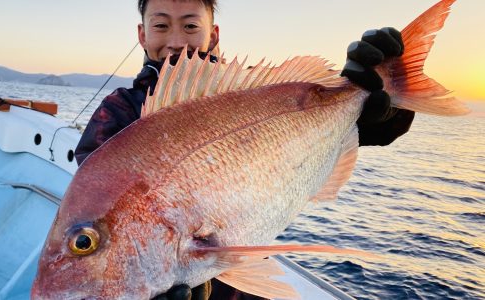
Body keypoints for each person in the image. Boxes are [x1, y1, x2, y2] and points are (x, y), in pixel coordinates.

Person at [74, 0, 414, 299]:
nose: (176, 41)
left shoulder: (261, 91)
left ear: (214, 34)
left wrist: (381, 109)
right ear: (142, 34)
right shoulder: (117, 112)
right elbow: (98, 196)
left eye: (190, 25)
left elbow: (357, 130)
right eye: (161, 25)